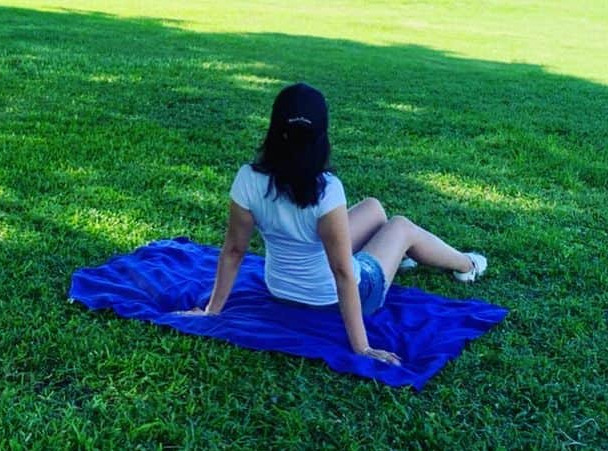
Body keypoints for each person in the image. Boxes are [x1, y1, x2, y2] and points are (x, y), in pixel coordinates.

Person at [182, 83, 487, 364]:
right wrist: (362, 347)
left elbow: (234, 251)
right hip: (339, 296)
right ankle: (466, 265)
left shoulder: (248, 178)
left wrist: (212, 311)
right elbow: (342, 271)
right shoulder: (327, 189)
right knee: (401, 226)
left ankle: (398, 260)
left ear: (274, 129)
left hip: (279, 288)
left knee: (373, 208)